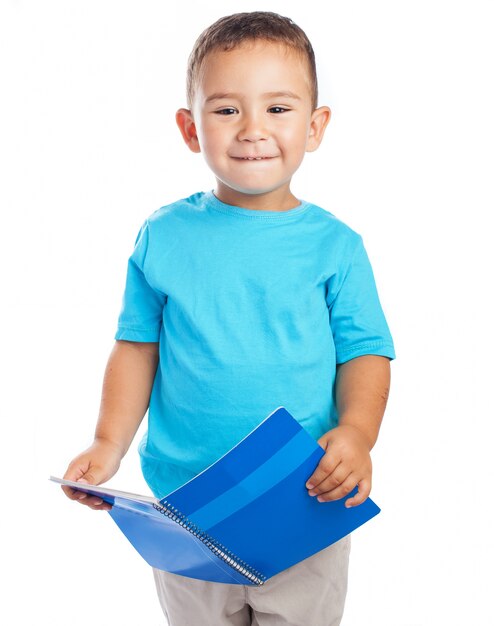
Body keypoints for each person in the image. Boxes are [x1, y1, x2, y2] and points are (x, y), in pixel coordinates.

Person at [62, 11, 395, 626]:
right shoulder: (163, 235)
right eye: (225, 110)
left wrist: (357, 433)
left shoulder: (335, 246)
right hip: (189, 504)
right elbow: (137, 348)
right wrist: (109, 443)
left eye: (277, 108)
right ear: (191, 128)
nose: (251, 130)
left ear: (316, 126)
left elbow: (365, 352)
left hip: (302, 495)